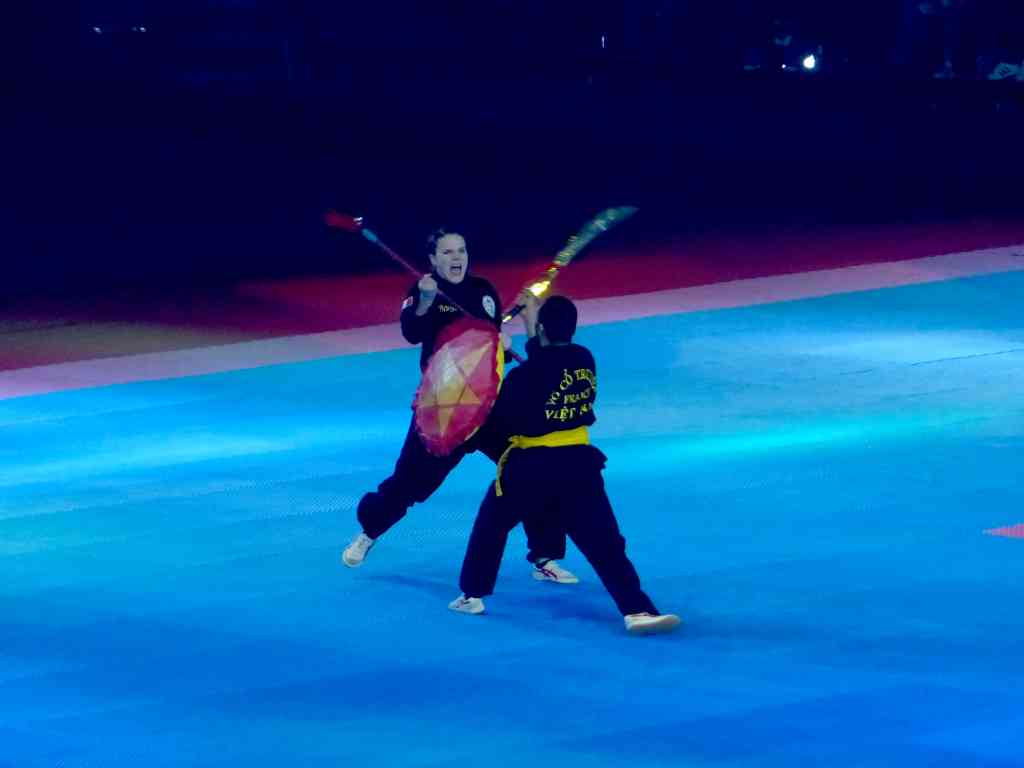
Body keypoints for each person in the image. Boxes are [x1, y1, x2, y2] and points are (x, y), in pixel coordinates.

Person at [342, 227, 577, 584]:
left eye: (461, 251)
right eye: (448, 252)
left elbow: (487, 349)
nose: (457, 258)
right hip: (444, 409)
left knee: (529, 466)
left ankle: (545, 556)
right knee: (410, 483)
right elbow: (412, 332)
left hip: (488, 406)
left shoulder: (483, 291)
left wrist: (502, 344)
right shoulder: (423, 291)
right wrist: (424, 300)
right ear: (433, 259)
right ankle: (369, 532)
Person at [449, 293, 682, 635]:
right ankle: (637, 610)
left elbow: (500, 420)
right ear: (572, 328)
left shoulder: (523, 377)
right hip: (579, 465)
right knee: (605, 542)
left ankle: (471, 595)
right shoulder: (584, 359)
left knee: (491, 527)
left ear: (543, 329)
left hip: (530, 467)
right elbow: (545, 360)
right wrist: (532, 323)